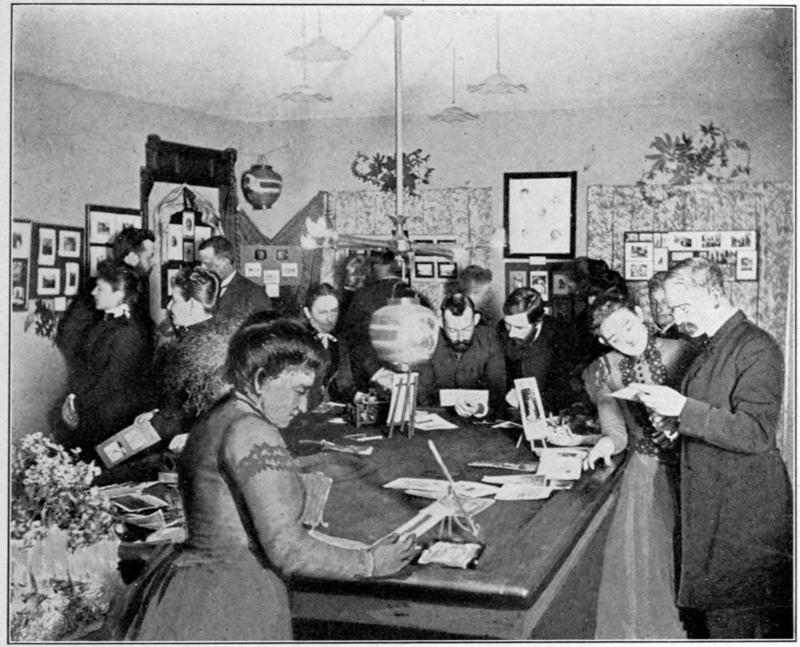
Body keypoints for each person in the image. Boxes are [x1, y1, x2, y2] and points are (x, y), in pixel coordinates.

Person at [105, 318, 417, 641]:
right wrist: (369, 563)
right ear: (260, 379)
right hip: (230, 596)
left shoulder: (219, 417)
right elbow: (288, 552)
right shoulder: (252, 431)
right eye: (299, 391)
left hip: (189, 586)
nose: (302, 406)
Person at [634, 258, 792, 639]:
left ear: (715, 294)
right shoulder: (709, 345)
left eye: (684, 307)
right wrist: (676, 430)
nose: (678, 318)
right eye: (673, 309)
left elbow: (756, 433)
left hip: (742, 521)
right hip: (713, 514)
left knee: (733, 624)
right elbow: (711, 417)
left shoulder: (756, 347)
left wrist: (681, 409)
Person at [581, 292, 694, 639]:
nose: (626, 338)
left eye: (628, 325)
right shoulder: (605, 369)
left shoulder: (684, 351)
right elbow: (615, 430)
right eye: (614, 336)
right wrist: (606, 442)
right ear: (604, 341)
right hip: (646, 473)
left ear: (640, 313)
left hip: (692, 469)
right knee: (646, 568)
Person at [57, 260, 156, 463]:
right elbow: (84, 369)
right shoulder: (102, 324)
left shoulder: (128, 333)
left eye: (100, 288)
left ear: (118, 294)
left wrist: (77, 403)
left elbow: (111, 382)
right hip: (93, 412)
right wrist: (72, 396)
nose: (93, 292)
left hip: (112, 422)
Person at [55, 227, 156, 378]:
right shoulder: (100, 290)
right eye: (150, 256)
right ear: (132, 258)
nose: (154, 262)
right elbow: (69, 335)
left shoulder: (136, 287)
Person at [417, 292, 506, 419]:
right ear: (440, 322)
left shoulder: (490, 339)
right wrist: (452, 407)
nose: (460, 338)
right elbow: (423, 394)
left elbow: (498, 390)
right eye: (452, 330)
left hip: (478, 422)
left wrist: (480, 408)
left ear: (476, 320)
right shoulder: (429, 341)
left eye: (466, 329)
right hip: (439, 419)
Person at [338, 250, 409, 393]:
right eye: (351, 274)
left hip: (370, 374)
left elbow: (355, 342)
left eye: (357, 274)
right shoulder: (351, 299)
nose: (353, 279)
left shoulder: (363, 298)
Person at [498, 287, 569, 415]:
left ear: (538, 322)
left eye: (519, 327)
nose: (511, 333)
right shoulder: (501, 329)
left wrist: (526, 403)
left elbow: (565, 391)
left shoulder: (561, 335)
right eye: (508, 325)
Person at [302, 283, 354, 404]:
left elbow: (344, 381)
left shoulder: (339, 341)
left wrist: (357, 396)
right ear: (308, 312)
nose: (330, 319)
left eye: (334, 311)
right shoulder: (300, 340)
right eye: (323, 312)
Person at [198, 235, 272, 319]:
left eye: (207, 263)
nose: (202, 267)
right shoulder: (204, 288)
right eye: (201, 263)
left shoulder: (254, 293)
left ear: (224, 262)